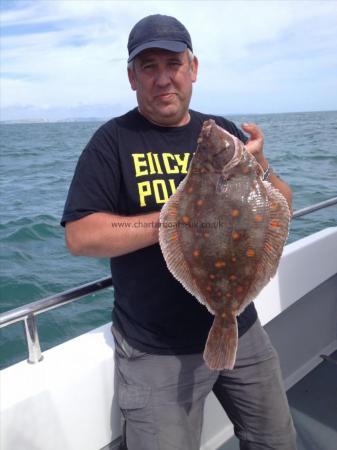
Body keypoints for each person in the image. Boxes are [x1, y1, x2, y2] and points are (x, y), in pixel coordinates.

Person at [61, 14, 296, 450]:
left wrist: (259, 166)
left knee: (277, 441)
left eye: (173, 63)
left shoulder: (224, 131)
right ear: (132, 77)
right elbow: (80, 236)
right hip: (156, 351)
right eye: (149, 66)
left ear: (193, 68)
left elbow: (282, 204)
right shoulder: (111, 142)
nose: (163, 78)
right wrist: (176, 220)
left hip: (242, 328)